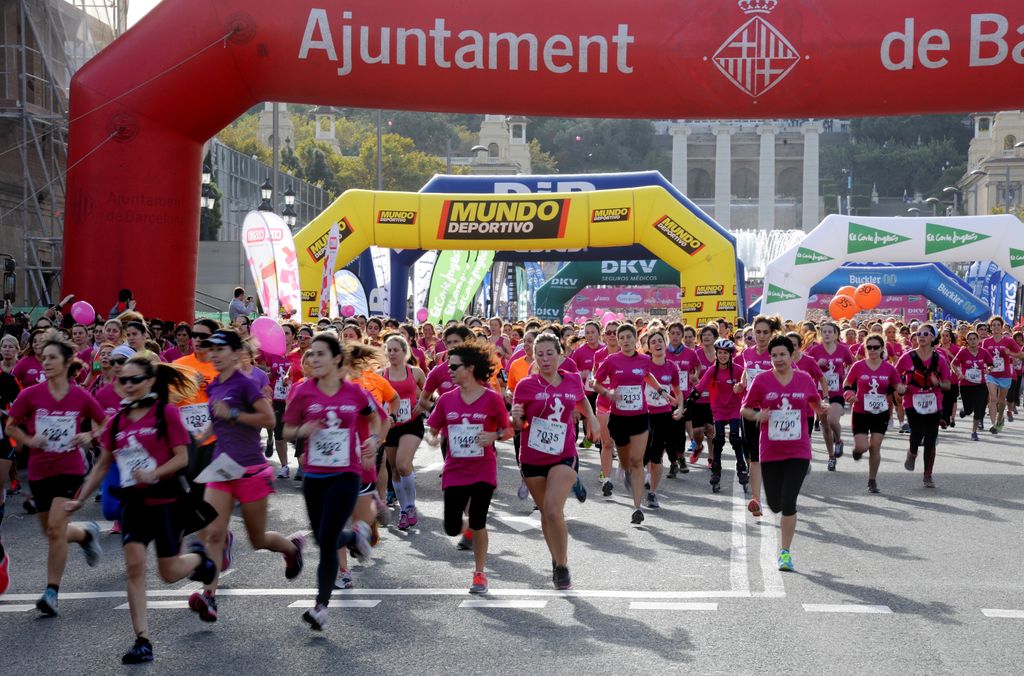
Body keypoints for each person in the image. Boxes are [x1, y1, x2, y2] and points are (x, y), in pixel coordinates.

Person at [64, 357, 216, 663]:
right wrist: (80, 498)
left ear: (149, 381)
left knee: (169, 573)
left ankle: (201, 559)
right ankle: (142, 640)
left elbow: (182, 458)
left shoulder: (166, 412)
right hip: (134, 504)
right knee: (134, 567)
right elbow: (103, 463)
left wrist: (156, 472)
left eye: (135, 380)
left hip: (167, 503)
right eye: (124, 380)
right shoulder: (118, 420)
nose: (128, 385)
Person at [187, 329, 304, 623]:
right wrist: (200, 438)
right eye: (209, 349)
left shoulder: (245, 385)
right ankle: (209, 598)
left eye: (219, 349)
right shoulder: (213, 386)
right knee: (213, 533)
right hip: (222, 467)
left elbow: (269, 419)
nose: (212, 354)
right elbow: (217, 419)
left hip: (250, 468)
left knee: (257, 539)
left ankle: (291, 547)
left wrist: (233, 415)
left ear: (236, 352)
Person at [283, 333, 380, 630]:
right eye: (311, 354)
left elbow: (374, 418)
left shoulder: (355, 393)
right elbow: (285, 430)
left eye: (320, 354)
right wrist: (303, 430)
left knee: (326, 539)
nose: (314, 359)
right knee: (322, 538)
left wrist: (373, 440)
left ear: (337, 358)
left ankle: (320, 607)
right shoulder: (302, 392)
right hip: (314, 475)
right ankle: (354, 537)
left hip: (346, 474)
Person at [5, 331, 106, 615]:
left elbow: (103, 422)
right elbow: (11, 425)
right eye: (44, 357)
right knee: (52, 532)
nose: (46, 362)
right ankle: (86, 534)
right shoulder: (30, 395)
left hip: (69, 469)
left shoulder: (79, 396)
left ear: (65, 362)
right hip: (39, 471)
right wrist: (28, 441)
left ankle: (51, 592)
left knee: (55, 529)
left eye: (52, 358)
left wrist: (89, 436)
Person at [510, 332, 598, 590]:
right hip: (533, 457)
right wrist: (515, 417)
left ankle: (561, 566)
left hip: (563, 454)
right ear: (534, 358)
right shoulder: (525, 386)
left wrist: (591, 419)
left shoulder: (571, 380)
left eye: (550, 353)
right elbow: (517, 424)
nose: (545, 359)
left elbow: (581, 400)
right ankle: (556, 556)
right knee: (547, 516)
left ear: (560, 355)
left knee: (551, 509)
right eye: (540, 354)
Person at [426, 341, 511, 594]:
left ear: (470, 368)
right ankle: (469, 529)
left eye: (454, 366)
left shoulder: (492, 399)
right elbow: (432, 429)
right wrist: (431, 438)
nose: (448, 370)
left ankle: (479, 574)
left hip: (483, 467)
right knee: (451, 527)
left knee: (479, 519)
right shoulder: (446, 400)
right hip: (454, 469)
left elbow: (507, 430)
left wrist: (493, 437)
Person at [741, 336, 826, 571]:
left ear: (791, 356)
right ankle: (776, 511)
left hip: (799, 449)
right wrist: (758, 416)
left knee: (789, 502)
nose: (778, 359)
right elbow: (744, 409)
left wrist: (824, 408)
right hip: (770, 450)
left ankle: (785, 553)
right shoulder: (761, 380)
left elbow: (816, 404)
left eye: (783, 355)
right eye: (774, 355)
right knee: (775, 504)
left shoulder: (804, 379)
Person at [593, 323, 654, 525]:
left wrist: (662, 391)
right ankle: (624, 468)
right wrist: (607, 392)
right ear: (618, 341)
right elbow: (596, 381)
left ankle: (637, 508)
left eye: (629, 337)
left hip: (640, 416)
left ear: (635, 339)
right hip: (618, 418)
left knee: (638, 462)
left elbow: (647, 375)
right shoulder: (611, 360)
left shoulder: (645, 359)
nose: (626, 341)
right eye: (622, 338)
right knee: (627, 460)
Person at [843, 333, 904, 493]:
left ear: (882, 348)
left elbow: (898, 384)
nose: (872, 350)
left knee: (875, 446)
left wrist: (901, 389)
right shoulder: (858, 366)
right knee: (863, 446)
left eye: (876, 347)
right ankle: (858, 450)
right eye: (869, 347)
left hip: (880, 412)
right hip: (861, 411)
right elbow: (847, 383)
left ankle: (872, 480)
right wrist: (849, 395)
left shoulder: (889, 368)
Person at [895, 324, 951, 488]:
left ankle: (928, 475)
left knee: (931, 439)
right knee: (918, 431)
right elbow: (894, 375)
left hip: (934, 401)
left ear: (933, 338)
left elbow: (948, 384)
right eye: (918, 333)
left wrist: (938, 383)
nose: (921, 336)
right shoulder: (907, 357)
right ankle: (912, 451)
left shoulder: (939, 359)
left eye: (926, 334)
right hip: (912, 400)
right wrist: (900, 388)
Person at [380, 334, 426, 530]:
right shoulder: (381, 374)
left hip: (412, 424)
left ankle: (410, 507)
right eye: (389, 350)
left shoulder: (415, 372)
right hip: (390, 426)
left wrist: (423, 406)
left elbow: (429, 394)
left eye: (395, 350)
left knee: (403, 463)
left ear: (405, 352)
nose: (391, 353)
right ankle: (405, 508)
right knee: (394, 469)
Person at [691, 337, 747, 494]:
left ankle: (741, 467)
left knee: (736, 438)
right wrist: (688, 403)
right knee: (719, 438)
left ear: (731, 354)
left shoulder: (737, 370)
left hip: (735, 407)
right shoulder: (712, 370)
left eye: (725, 353)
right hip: (719, 409)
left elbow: (746, 386)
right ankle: (716, 471)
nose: (722, 356)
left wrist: (741, 387)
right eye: (720, 353)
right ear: (716, 353)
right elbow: (700, 388)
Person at [642, 329, 683, 507]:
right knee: (643, 454)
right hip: (643, 414)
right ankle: (642, 472)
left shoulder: (672, 367)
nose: (657, 344)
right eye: (653, 342)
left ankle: (652, 493)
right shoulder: (644, 365)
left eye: (660, 341)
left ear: (665, 344)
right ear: (649, 348)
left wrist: (680, 408)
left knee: (656, 455)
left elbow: (678, 391)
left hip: (663, 415)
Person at [805, 321, 854, 471]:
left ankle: (838, 440)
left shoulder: (843, 350)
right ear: (820, 334)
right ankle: (831, 456)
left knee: (833, 420)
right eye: (824, 331)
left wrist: (847, 379)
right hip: (819, 392)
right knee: (825, 425)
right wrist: (817, 364)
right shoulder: (814, 350)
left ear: (836, 335)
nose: (826, 334)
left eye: (830, 332)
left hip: (837, 391)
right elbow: (804, 367)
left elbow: (853, 364)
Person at [981, 316, 1024, 434]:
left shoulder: (1009, 341)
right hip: (992, 374)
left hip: (1005, 375)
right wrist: (985, 367)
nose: (995, 327)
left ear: (1001, 327)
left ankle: (1000, 418)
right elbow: (983, 357)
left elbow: (1021, 355)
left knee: (1001, 400)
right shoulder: (986, 341)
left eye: (998, 325)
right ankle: (993, 424)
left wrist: (1010, 353)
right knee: (993, 399)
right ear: (991, 327)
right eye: (993, 325)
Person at [952, 330, 992, 441]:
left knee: (978, 408)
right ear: (967, 341)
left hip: (980, 384)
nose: (973, 341)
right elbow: (953, 364)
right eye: (970, 339)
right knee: (969, 410)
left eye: (975, 339)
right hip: (966, 384)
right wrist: (959, 373)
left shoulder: (983, 352)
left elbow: (991, 364)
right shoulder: (963, 352)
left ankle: (974, 432)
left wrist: (988, 369)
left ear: (978, 340)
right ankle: (965, 411)